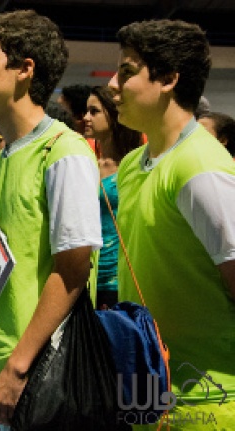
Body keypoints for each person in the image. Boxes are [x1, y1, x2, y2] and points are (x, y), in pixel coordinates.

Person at [0, 10, 102, 429]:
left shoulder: (63, 153)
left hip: (36, 371)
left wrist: (17, 370)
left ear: (24, 69)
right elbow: (8, 253)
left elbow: (73, 270)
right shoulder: (6, 156)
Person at [108, 19, 235, 427]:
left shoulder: (201, 167)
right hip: (145, 386)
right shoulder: (131, 164)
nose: (113, 84)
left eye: (127, 72)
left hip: (206, 394)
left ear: (167, 79)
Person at [83, 86, 142, 309]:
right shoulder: (84, 162)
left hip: (122, 273)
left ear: (114, 114)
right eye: (86, 111)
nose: (86, 117)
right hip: (88, 273)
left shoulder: (135, 165)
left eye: (94, 111)